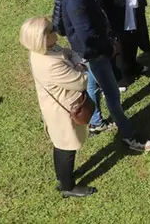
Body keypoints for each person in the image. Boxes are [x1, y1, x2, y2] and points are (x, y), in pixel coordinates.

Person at [62, 0, 150, 151]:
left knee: (92, 86)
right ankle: (129, 136)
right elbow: (86, 35)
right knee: (112, 96)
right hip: (95, 54)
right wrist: (109, 47)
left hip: (95, 51)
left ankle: (96, 122)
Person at [19, 16, 95, 198]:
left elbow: (67, 52)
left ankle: (63, 176)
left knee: (61, 145)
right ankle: (68, 187)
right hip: (62, 111)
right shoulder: (50, 64)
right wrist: (80, 64)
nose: (56, 31)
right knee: (66, 147)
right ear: (42, 38)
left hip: (56, 106)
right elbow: (81, 81)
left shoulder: (45, 50)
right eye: (52, 29)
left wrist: (74, 59)